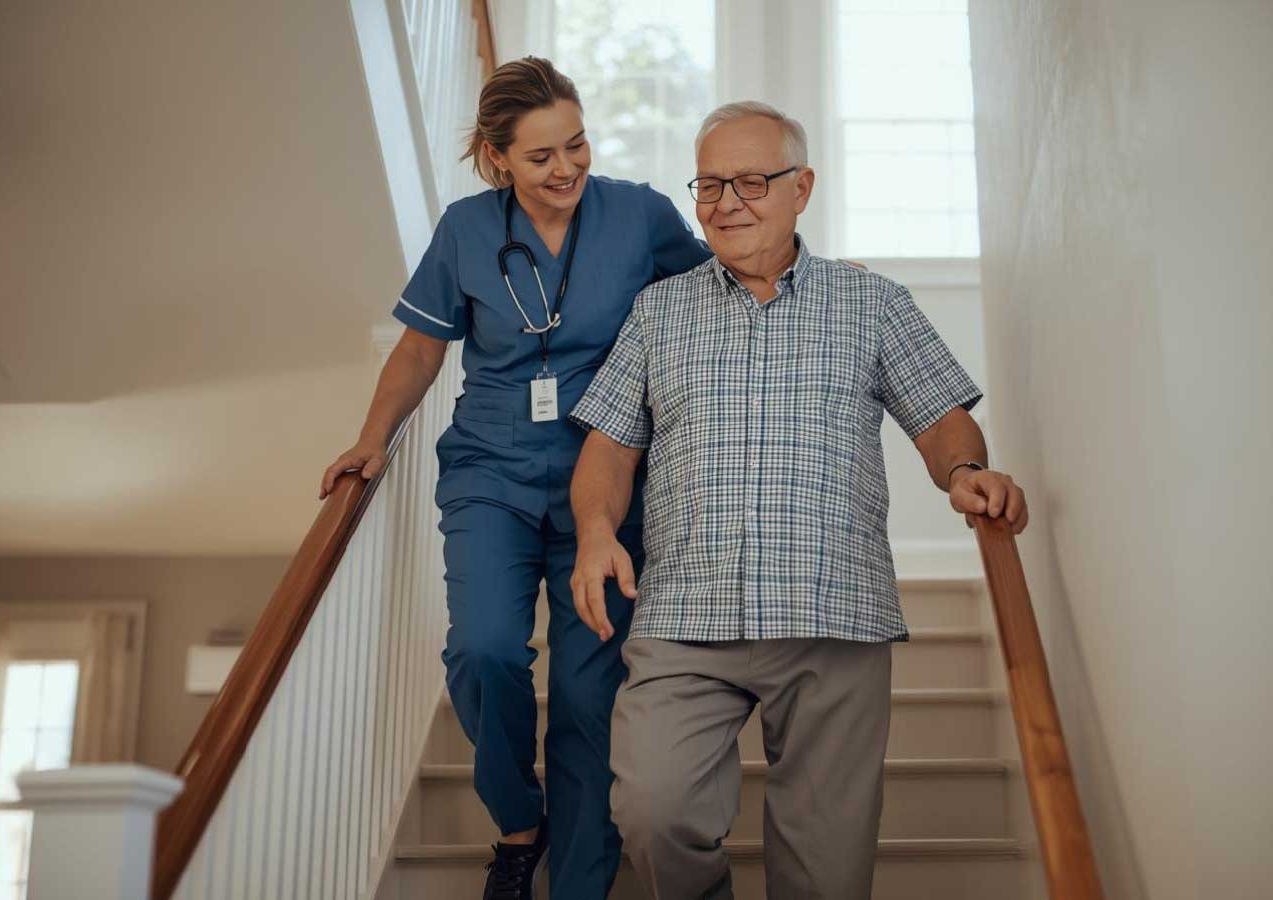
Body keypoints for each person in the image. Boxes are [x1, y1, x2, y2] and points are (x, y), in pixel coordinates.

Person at [567, 100, 1029, 900]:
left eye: (751, 180)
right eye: (709, 185)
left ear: (802, 188)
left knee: (827, 873)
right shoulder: (659, 311)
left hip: (834, 615)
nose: (727, 202)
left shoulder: (873, 302)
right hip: (685, 617)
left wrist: (964, 476)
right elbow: (608, 445)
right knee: (653, 810)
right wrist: (596, 528)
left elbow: (941, 423)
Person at [319, 57, 711, 900]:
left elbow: (713, 291)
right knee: (486, 650)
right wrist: (371, 439)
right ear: (498, 158)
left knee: (585, 692)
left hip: (606, 478)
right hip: (491, 468)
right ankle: (518, 822)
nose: (566, 168)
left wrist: (817, 277)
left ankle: (577, 886)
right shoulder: (466, 229)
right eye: (540, 157)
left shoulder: (639, 215)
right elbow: (424, 346)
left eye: (576, 145)